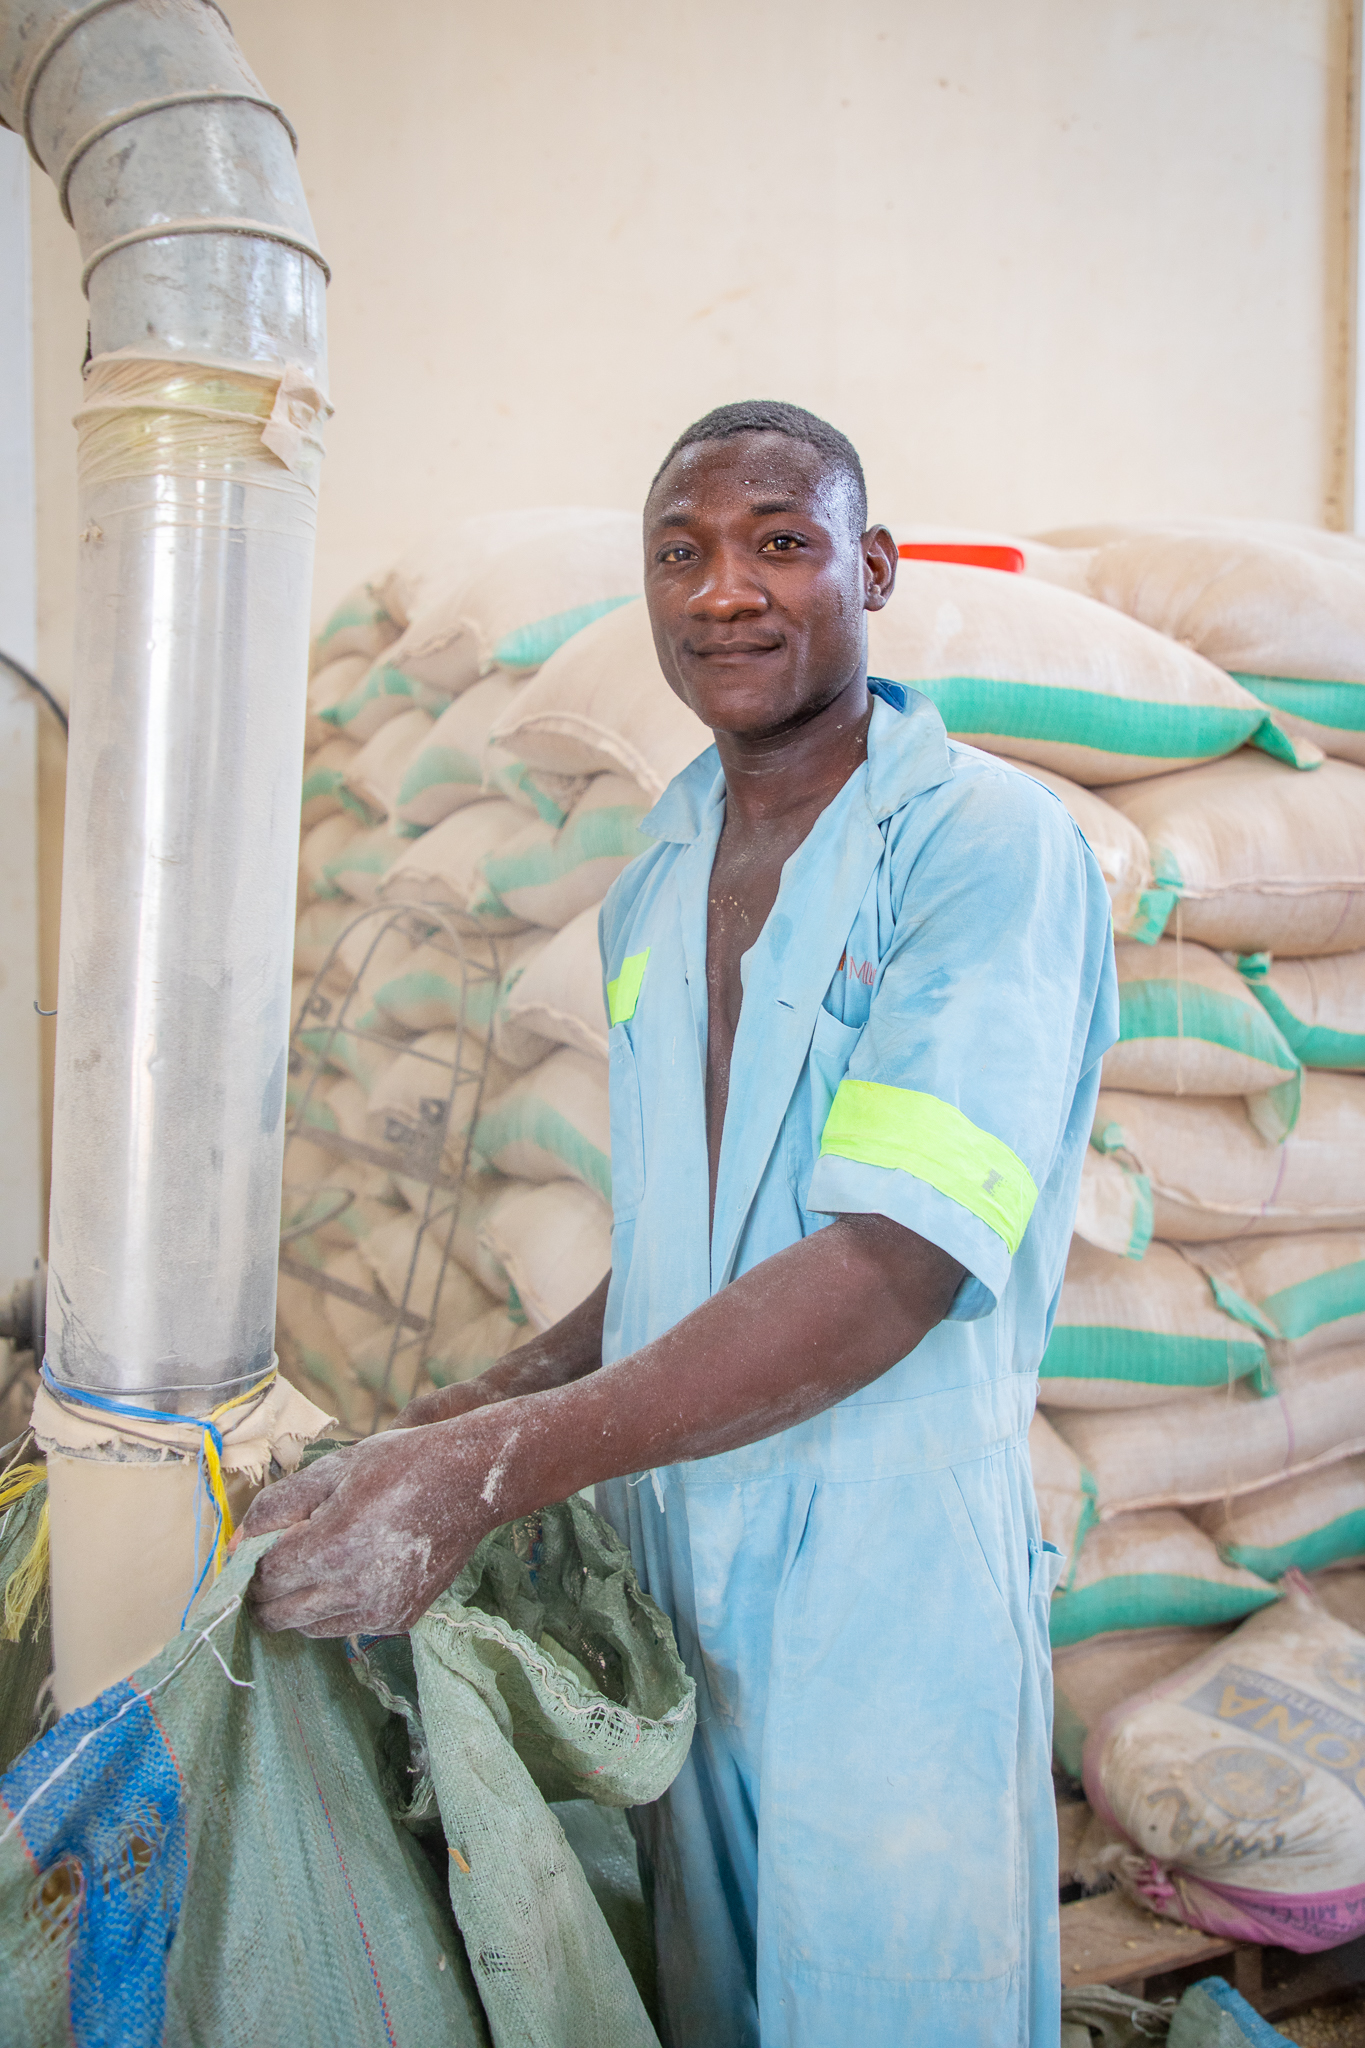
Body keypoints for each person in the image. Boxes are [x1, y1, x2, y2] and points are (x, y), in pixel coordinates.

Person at [245, 399, 1117, 2047]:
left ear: (870, 567)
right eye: (681, 554)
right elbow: (674, 1237)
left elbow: (890, 1269)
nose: (725, 591)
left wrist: (495, 1474)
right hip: (673, 1542)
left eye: (780, 544)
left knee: (887, 2005)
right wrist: (480, 1399)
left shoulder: (984, 851)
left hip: (882, 1558)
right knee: (710, 1996)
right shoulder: (657, 878)